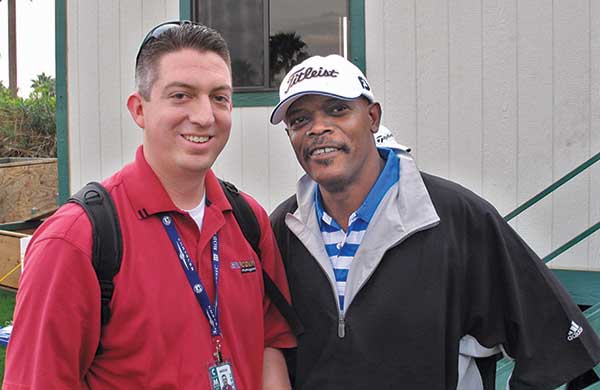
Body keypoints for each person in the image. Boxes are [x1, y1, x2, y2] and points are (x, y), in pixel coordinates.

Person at [268, 54, 600, 389]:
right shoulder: (283, 228)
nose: (318, 128)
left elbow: (553, 342)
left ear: (372, 117)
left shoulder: (453, 217)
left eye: (337, 109)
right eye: (299, 120)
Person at [4, 21, 294, 390]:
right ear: (139, 109)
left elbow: (271, 341)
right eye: (181, 95)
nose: (205, 116)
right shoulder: (76, 239)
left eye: (219, 97)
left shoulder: (248, 220)